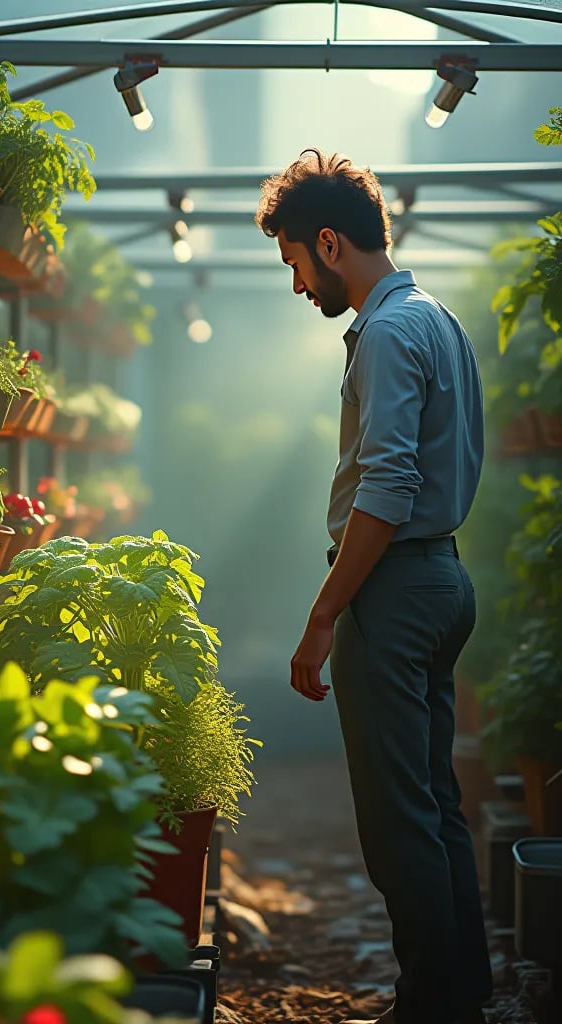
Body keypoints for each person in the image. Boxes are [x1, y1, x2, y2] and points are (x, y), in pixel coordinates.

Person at [255, 149, 492, 1024]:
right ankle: (461, 994)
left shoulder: (388, 332)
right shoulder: (437, 319)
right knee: (434, 804)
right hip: (444, 580)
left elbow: (387, 490)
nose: (296, 285)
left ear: (328, 242)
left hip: (395, 593)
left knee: (399, 824)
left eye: (294, 262)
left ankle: (431, 1005)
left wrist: (323, 617)